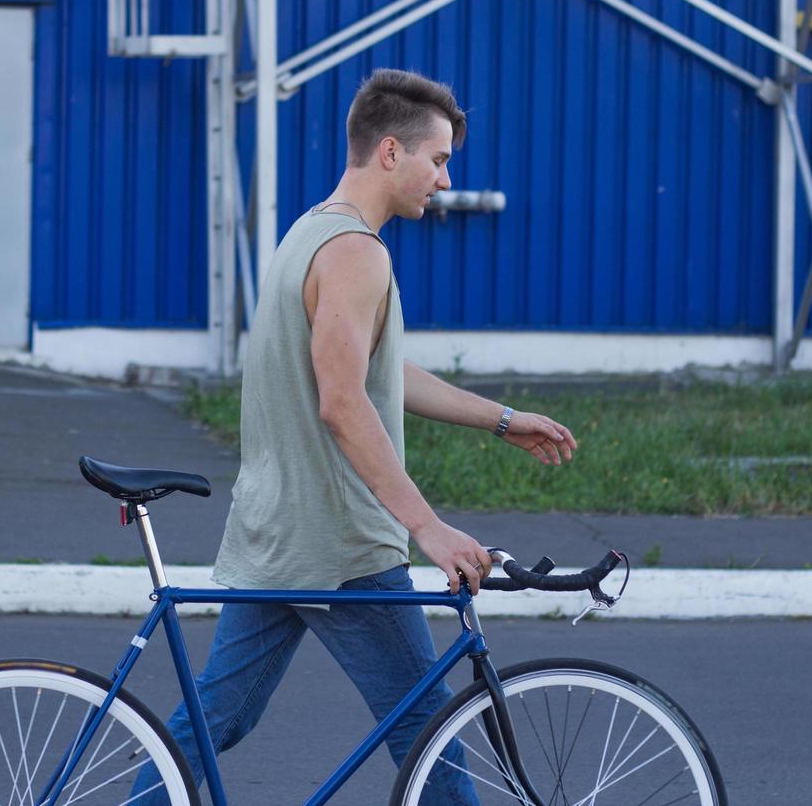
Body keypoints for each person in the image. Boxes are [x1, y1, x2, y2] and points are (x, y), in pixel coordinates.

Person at [133, 69, 578, 804]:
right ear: (393, 152)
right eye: (439, 160)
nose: (445, 178)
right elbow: (343, 403)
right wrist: (427, 528)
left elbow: (378, 370)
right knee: (429, 740)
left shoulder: (314, 231)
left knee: (217, 720)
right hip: (341, 548)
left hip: (280, 533)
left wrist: (501, 420)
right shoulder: (356, 254)